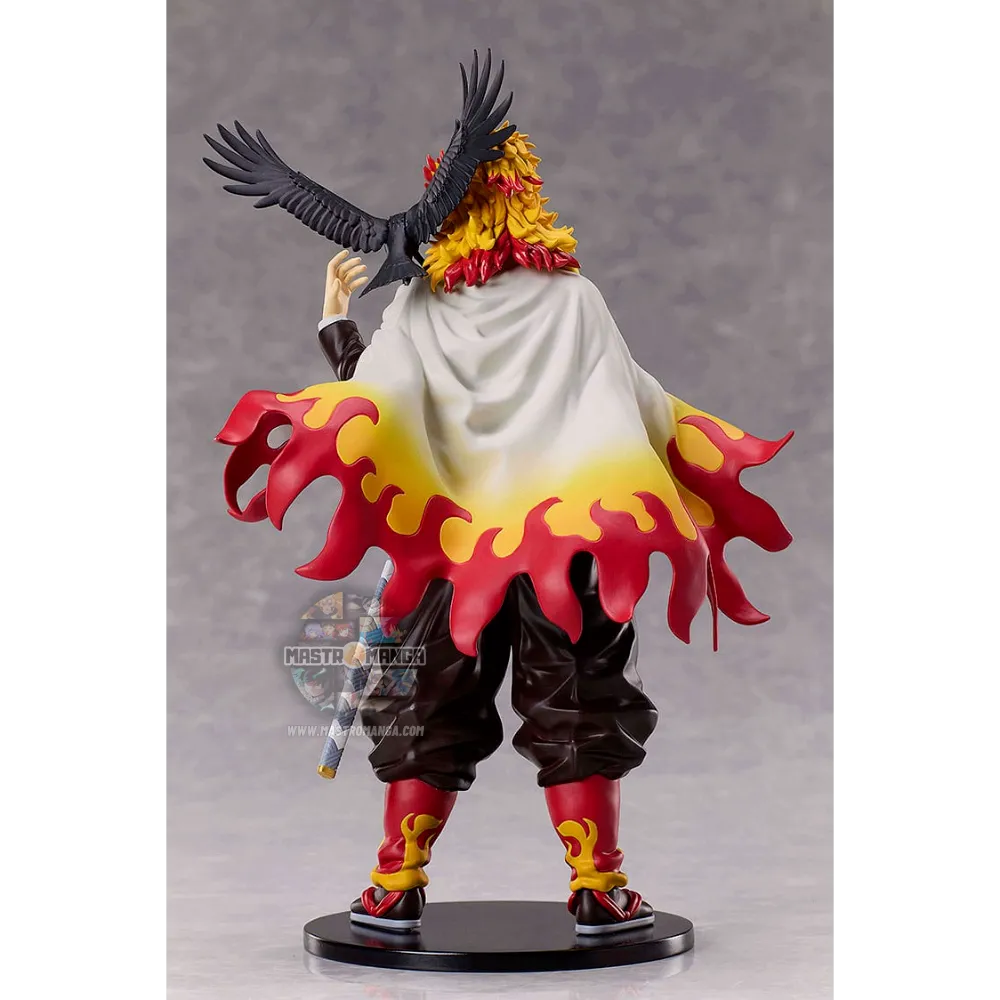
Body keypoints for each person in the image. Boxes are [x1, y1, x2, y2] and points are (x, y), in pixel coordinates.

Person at [218, 126, 792, 935]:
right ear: (524, 200)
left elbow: (375, 405)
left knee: (428, 702)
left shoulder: (421, 305)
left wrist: (335, 323)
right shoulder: (576, 301)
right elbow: (635, 405)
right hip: (565, 545)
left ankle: (395, 884)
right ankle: (598, 885)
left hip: (454, 554)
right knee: (581, 702)